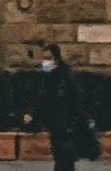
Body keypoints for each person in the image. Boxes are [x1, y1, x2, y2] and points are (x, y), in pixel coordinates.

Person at [31, 42, 95, 171]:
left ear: (56, 59)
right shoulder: (48, 78)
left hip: (67, 128)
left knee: (63, 161)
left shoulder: (66, 78)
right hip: (56, 127)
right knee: (62, 160)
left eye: (48, 58)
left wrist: (72, 124)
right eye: (44, 58)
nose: (45, 62)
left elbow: (76, 102)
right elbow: (43, 100)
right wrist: (33, 115)